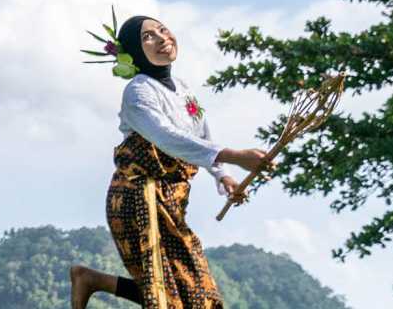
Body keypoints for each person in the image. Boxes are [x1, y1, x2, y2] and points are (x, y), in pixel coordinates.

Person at [70, 16, 267, 309]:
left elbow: (200, 133)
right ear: (134, 53)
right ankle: (90, 279)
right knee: (174, 292)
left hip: (172, 200)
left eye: (163, 29)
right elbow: (167, 137)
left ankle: (93, 279)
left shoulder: (182, 88)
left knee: (186, 291)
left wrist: (223, 176)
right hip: (140, 199)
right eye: (148, 36)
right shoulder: (138, 91)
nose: (162, 38)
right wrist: (236, 156)